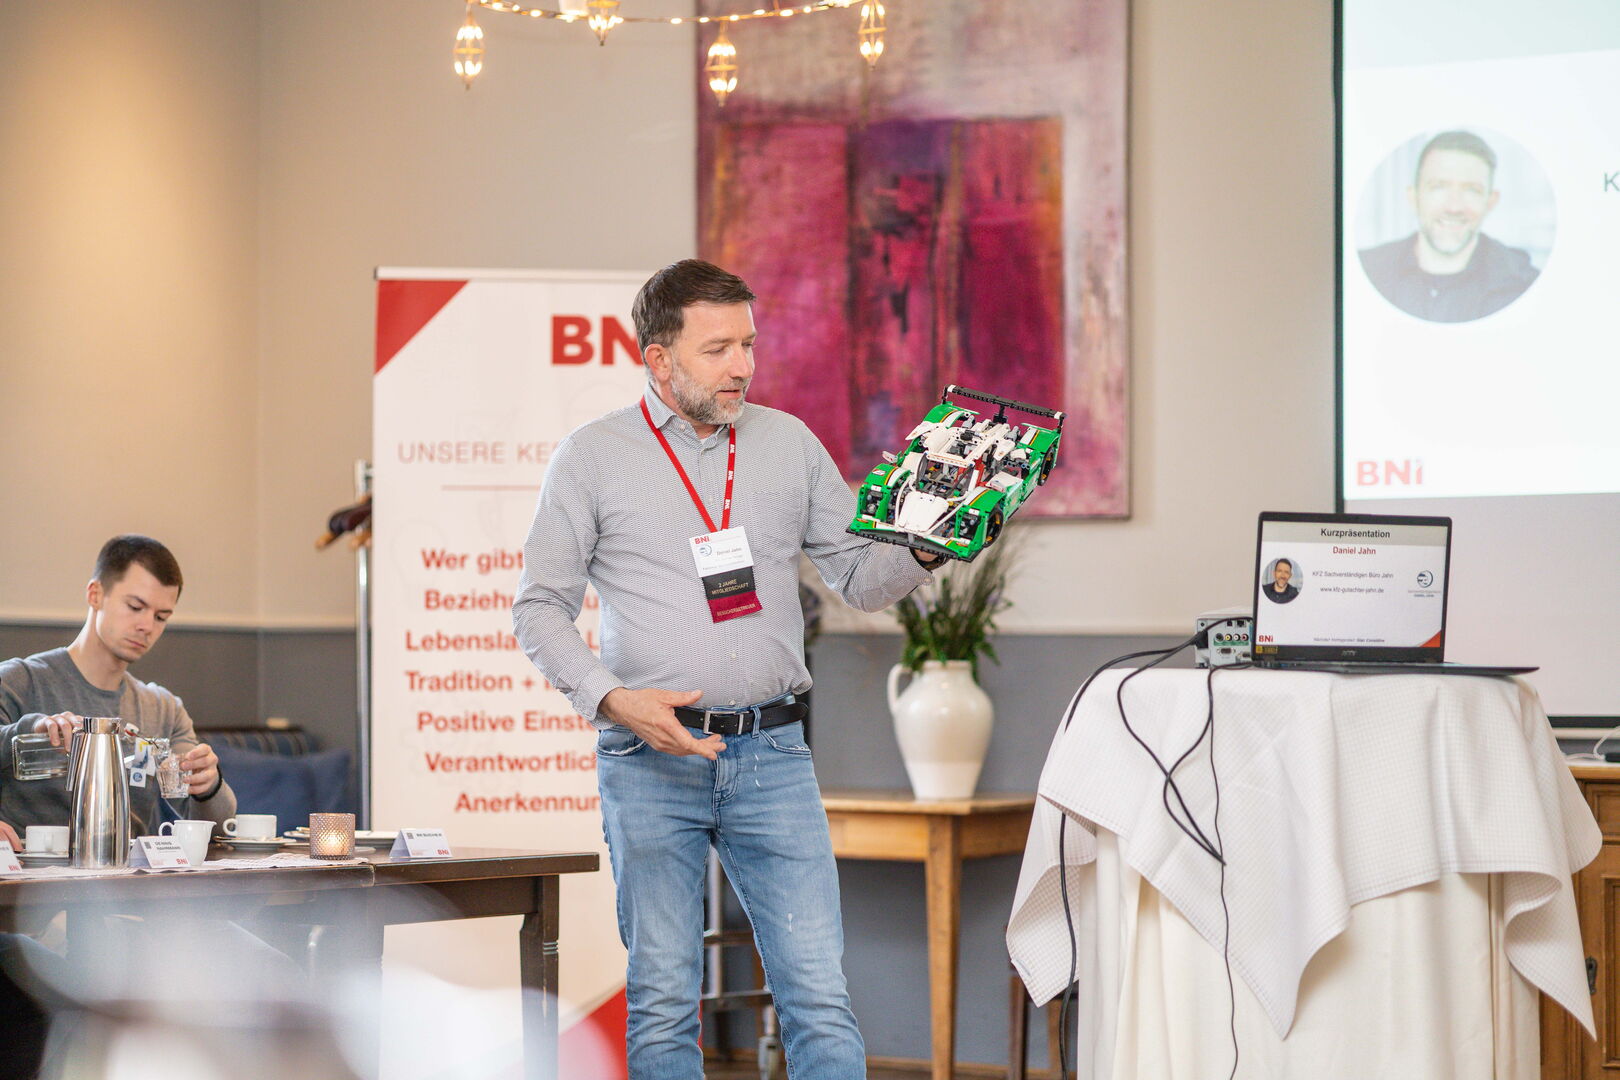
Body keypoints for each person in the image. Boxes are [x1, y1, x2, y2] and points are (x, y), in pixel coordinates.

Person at [513, 259, 942, 1078]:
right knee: (663, 998)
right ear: (658, 358)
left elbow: (860, 578)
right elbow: (538, 608)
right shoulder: (591, 457)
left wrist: (927, 547)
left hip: (774, 755)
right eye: (717, 350)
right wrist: (614, 702)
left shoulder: (789, 444)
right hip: (649, 758)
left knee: (818, 994)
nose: (742, 365)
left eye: (748, 344)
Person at [0, 536, 236, 837]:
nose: (147, 626)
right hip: (31, 864)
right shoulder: (18, 681)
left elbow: (218, 828)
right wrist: (29, 729)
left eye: (161, 617)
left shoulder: (164, 709)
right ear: (95, 594)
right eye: (135, 606)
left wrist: (209, 785)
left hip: (131, 866)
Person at [1358, 130, 1541, 323]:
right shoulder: (1363, 272)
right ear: (1413, 197)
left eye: (1472, 190)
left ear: (1490, 202)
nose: (1454, 207)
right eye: (1438, 186)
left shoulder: (1525, 286)